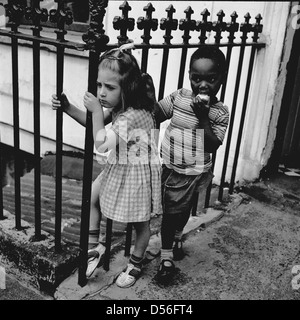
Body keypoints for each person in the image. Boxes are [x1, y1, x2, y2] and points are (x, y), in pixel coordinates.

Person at [51, 43, 162, 288]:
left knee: (139, 223)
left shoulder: (132, 116)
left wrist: (97, 112)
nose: (101, 92)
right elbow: (94, 123)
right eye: (99, 85)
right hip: (120, 167)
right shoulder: (122, 106)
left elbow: (101, 143)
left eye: (109, 87)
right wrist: (69, 108)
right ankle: (94, 247)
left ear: (128, 87)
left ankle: (135, 262)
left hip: (136, 174)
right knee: (91, 196)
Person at [151, 46, 229, 284]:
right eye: (197, 78)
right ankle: (167, 255)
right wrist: (149, 95)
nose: (203, 85)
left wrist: (203, 116)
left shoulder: (219, 112)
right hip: (171, 167)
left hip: (195, 171)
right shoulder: (179, 97)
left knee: (182, 211)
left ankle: (175, 238)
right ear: (189, 76)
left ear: (222, 79)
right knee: (171, 212)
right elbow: (157, 114)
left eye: (211, 79)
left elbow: (213, 145)